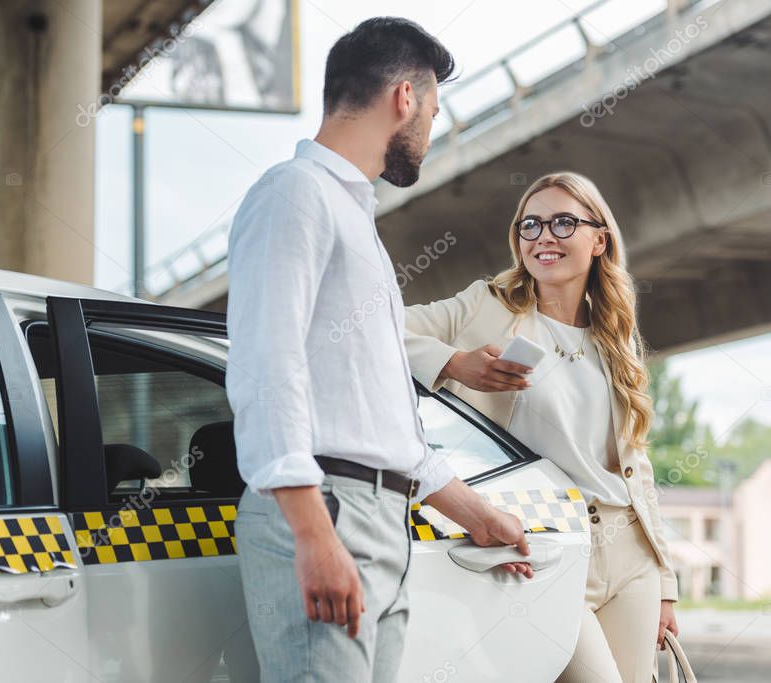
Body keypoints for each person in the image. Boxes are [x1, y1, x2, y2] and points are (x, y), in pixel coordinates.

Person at [226, 17, 534, 682]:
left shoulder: (350, 218)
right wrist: (312, 534)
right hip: (327, 509)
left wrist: (476, 512)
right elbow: (263, 365)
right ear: (404, 97)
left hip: (378, 519)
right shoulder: (293, 195)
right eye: (434, 110)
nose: (431, 128)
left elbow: (380, 420)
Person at [403, 172, 680, 683]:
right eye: (530, 225)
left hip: (629, 552)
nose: (543, 237)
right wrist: (453, 362)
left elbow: (634, 463)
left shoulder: (613, 337)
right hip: (543, 545)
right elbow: (374, 330)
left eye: (563, 222)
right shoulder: (484, 305)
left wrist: (664, 580)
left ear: (599, 240)